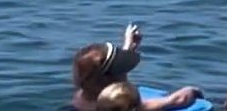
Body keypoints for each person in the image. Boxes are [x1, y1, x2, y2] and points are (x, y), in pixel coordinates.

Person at [70, 25, 202, 111]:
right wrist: (191, 90)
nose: (126, 70)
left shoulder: (82, 95)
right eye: (122, 69)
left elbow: (102, 72)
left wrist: (128, 47)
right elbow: (178, 100)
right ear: (112, 80)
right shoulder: (122, 105)